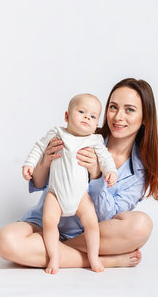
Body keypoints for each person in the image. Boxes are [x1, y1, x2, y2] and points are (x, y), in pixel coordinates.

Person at [0, 78, 158, 269]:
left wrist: (98, 176)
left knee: (141, 225)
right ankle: (100, 259)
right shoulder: (81, 133)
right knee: (5, 241)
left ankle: (53, 250)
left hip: (90, 232)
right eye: (113, 107)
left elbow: (109, 218)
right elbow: (40, 183)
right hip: (46, 222)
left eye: (129, 110)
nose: (118, 117)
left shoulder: (139, 171)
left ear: (145, 118)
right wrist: (44, 162)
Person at [22, 93, 117, 274]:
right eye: (81, 111)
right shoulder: (57, 133)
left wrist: (110, 171)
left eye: (93, 116)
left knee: (92, 223)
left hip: (81, 195)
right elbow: (38, 147)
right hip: (55, 194)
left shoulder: (94, 140)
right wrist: (29, 164)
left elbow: (105, 158)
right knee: (49, 222)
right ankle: (55, 257)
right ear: (67, 116)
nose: (86, 117)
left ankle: (93, 257)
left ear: (96, 125)